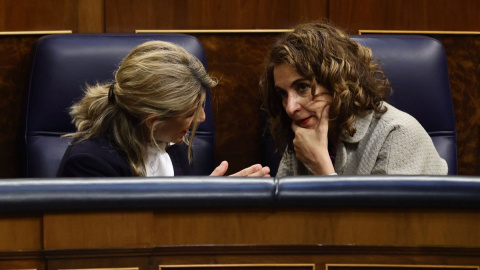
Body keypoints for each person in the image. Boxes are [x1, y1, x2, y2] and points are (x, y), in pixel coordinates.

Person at [57, 40, 270, 177]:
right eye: (190, 114)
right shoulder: (88, 165)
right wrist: (197, 206)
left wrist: (209, 195)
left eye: (201, 107)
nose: (202, 118)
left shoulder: (172, 142)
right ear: (152, 122)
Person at [260, 21, 448, 176]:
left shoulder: (398, 134)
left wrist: (321, 167)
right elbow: (287, 219)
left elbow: (385, 222)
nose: (290, 108)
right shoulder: (304, 133)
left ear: (337, 83)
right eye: (283, 94)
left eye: (302, 87)